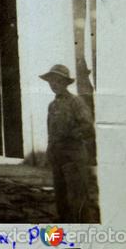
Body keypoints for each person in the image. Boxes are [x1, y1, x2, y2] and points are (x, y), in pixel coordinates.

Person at [41, 64, 99, 222]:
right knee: (61, 198)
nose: (54, 84)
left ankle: (84, 235)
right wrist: (50, 152)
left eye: (58, 81)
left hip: (74, 156)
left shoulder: (76, 102)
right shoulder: (52, 106)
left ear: (65, 83)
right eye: (51, 81)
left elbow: (87, 127)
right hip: (58, 156)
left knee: (78, 198)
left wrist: (71, 135)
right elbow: (50, 132)